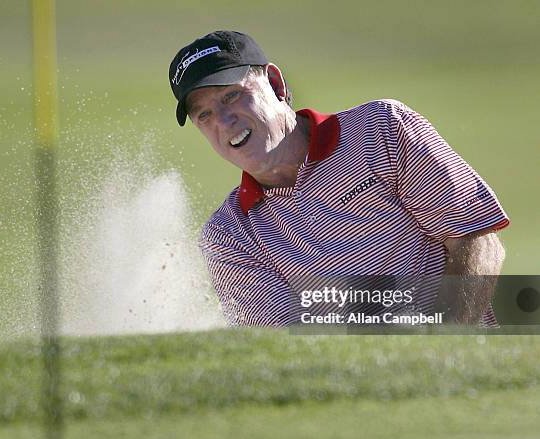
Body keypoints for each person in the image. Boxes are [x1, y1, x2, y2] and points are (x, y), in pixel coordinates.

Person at [168, 30, 509, 327]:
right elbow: (286, 344)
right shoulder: (230, 235)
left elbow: (475, 240)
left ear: (275, 84)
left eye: (232, 95)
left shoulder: (381, 129)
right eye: (205, 114)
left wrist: (439, 344)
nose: (224, 120)